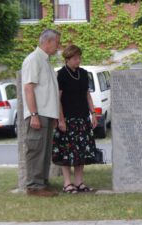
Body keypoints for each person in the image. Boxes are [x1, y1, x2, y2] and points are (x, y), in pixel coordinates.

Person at [52, 44, 98, 194]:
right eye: (75, 58)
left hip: (82, 118)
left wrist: (93, 113)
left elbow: (87, 94)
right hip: (67, 119)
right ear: (68, 59)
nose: (78, 61)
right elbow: (57, 99)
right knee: (66, 152)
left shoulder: (84, 73)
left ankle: (79, 182)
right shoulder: (61, 75)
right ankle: (67, 184)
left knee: (82, 152)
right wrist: (61, 120)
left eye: (79, 58)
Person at [22, 29, 61, 197]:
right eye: (57, 43)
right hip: (38, 114)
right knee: (36, 149)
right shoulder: (33, 60)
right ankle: (34, 186)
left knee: (44, 151)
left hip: (47, 114)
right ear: (48, 42)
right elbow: (28, 88)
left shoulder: (45, 61)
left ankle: (42, 183)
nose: (58, 47)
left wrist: (54, 116)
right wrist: (34, 115)